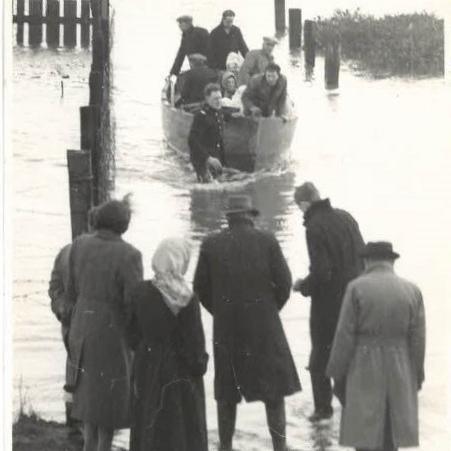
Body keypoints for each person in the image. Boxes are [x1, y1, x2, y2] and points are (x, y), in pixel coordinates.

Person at [194, 195, 301, 451]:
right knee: (273, 391)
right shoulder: (267, 240)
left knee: (226, 393)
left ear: (228, 218)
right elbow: (284, 283)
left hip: (227, 327)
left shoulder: (210, 244)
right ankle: (279, 446)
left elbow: (200, 288)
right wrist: (268, 311)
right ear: (251, 216)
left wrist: (220, 311)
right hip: (265, 326)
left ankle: (226, 446)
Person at [326, 242, 426, 451]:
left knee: (365, 433)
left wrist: (337, 375)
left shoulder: (356, 287)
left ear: (367, 261)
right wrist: (417, 375)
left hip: (364, 364)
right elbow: (418, 341)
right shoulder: (412, 290)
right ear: (391, 261)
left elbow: (344, 336)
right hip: (401, 365)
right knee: (393, 430)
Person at [66, 195, 143, 451]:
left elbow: (71, 289)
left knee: (89, 403)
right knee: (108, 408)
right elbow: (133, 302)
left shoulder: (79, 245)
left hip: (83, 327)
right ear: (123, 224)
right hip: (112, 333)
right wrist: (137, 341)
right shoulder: (129, 254)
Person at [293, 182, 365, 422]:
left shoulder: (314, 227)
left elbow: (322, 272)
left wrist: (303, 286)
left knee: (320, 357)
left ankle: (323, 411)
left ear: (304, 204)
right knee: (349, 352)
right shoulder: (346, 217)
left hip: (328, 303)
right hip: (356, 297)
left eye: (299, 208)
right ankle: (354, 407)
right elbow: (363, 256)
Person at [128, 238, 209, 451]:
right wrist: (200, 366)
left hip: (148, 365)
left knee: (149, 423)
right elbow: (195, 345)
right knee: (182, 429)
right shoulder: (188, 298)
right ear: (181, 262)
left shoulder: (140, 291)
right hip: (180, 371)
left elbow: (131, 334)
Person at [48, 208, 99, 438]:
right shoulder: (102, 254)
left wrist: (62, 310)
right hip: (94, 325)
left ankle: (74, 426)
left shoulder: (66, 251)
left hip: (70, 323)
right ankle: (90, 430)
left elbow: (54, 287)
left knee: (73, 372)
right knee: (93, 377)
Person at [188, 83, 226, 183]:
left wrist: (223, 163)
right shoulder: (201, 116)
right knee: (208, 186)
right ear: (207, 99)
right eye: (215, 99)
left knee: (222, 185)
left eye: (220, 98)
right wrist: (208, 159)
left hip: (215, 158)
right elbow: (192, 141)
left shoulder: (219, 113)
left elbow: (219, 140)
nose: (218, 101)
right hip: (202, 159)